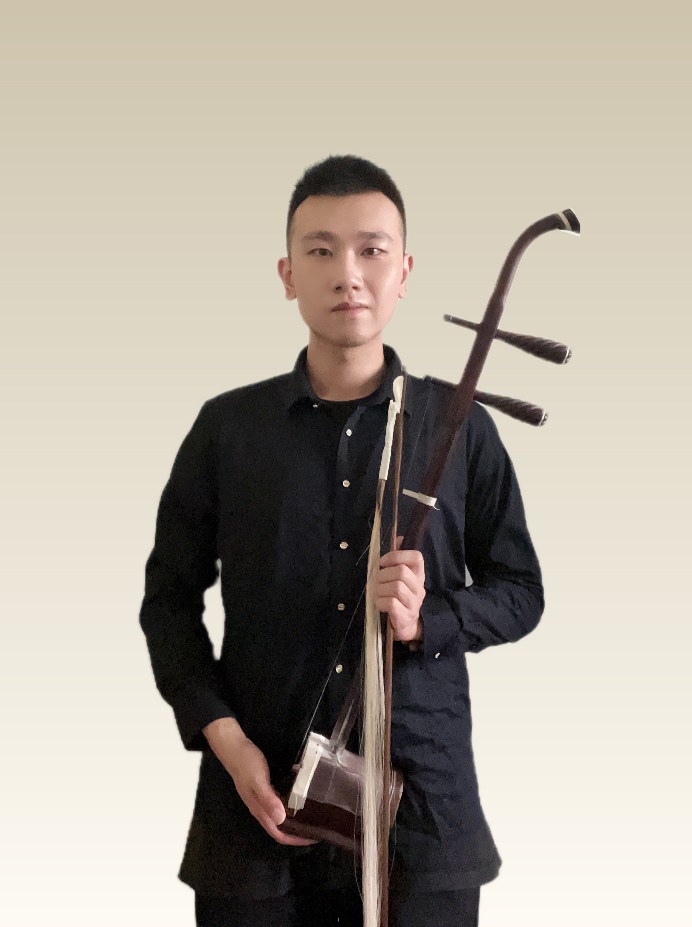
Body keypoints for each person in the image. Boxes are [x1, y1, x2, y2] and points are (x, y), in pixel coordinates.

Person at [139, 155, 544, 927]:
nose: (348, 274)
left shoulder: (459, 427)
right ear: (288, 273)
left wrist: (428, 619)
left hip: (420, 814)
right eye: (322, 251)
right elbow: (168, 602)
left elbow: (522, 592)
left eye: (372, 249)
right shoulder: (229, 429)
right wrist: (224, 737)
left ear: (404, 271)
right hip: (255, 807)